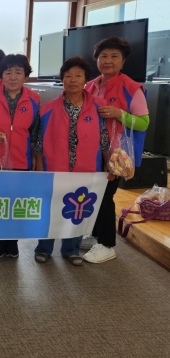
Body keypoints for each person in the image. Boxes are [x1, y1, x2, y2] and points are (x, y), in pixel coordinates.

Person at [34, 57, 110, 266]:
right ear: (62, 79)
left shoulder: (99, 107)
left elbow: (104, 138)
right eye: (68, 76)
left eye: (78, 76)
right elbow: (39, 141)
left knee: (79, 209)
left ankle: (71, 249)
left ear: (86, 79)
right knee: (50, 209)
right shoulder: (47, 108)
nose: (73, 80)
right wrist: (39, 165)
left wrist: (107, 163)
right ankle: (43, 248)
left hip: (86, 168)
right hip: (54, 167)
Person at [82, 36, 149, 264]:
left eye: (114, 56)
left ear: (123, 61)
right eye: (103, 56)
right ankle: (96, 235)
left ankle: (107, 244)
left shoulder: (132, 88)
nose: (108, 60)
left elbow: (144, 123)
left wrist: (120, 114)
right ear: (96, 60)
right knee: (92, 193)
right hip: (90, 151)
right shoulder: (90, 86)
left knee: (105, 196)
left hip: (115, 155)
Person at [0, 54, 40, 258]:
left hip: (22, 159)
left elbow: (35, 133)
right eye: (8, 72)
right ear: (1, 75)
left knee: (17, 203)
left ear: (25, 75)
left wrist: (35, 160)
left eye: (18, 72)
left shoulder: (35, 100)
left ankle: (12, 242)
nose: (13, 77)